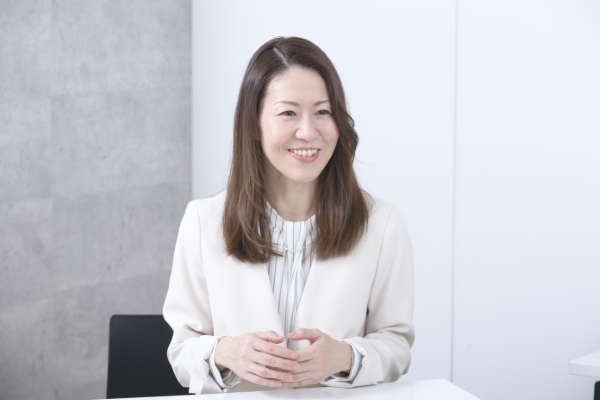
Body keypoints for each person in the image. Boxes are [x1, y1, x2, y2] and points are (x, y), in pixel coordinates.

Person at [163, 36, 414, 394]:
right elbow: (181, 353)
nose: (308, 132)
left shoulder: (383, 223)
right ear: (254, 124)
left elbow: (396, 344)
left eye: (323, 112)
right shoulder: (203, 222)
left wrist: (346, 357)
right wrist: (225, 352)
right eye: (288, 113)